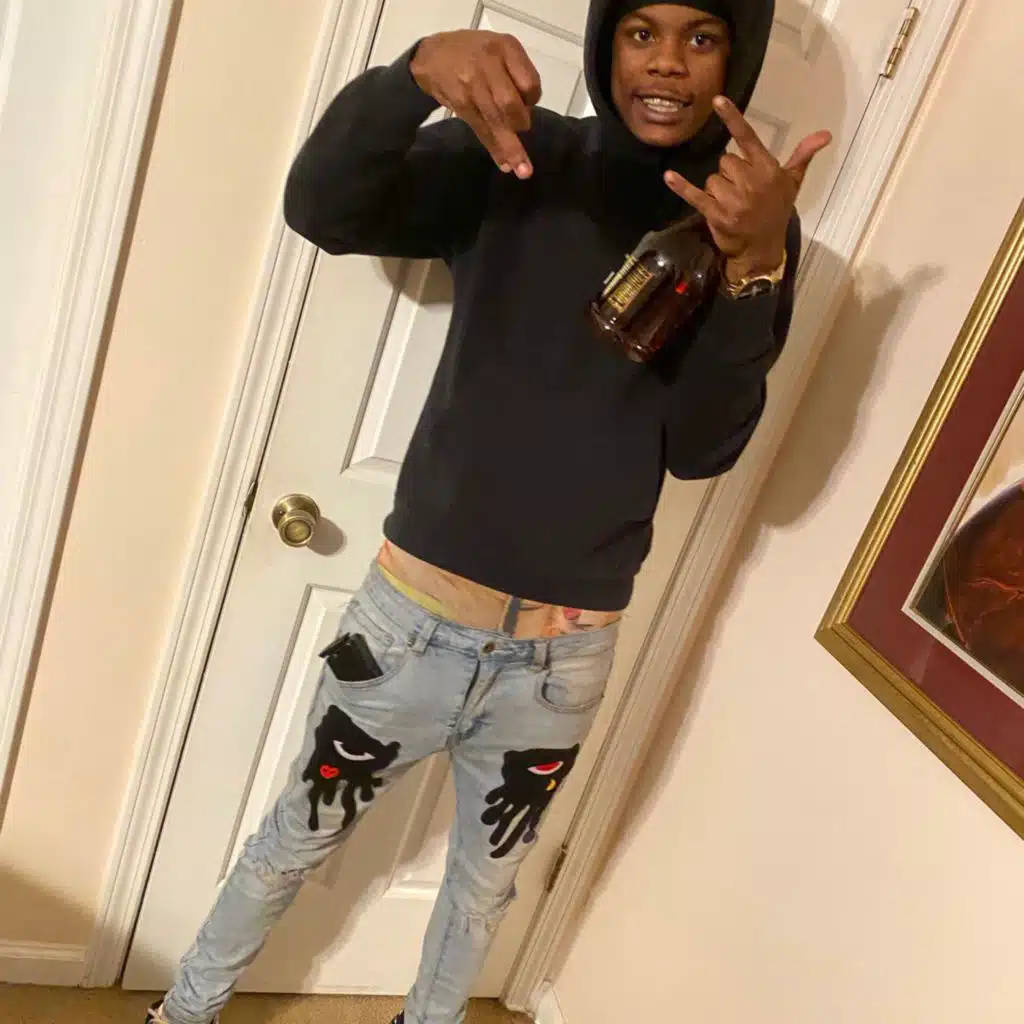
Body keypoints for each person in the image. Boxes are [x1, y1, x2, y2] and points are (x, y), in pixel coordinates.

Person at [147, 1, 830, 1022]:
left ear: (739, 57)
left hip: (561, 658)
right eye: (642, 30)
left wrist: (757, 269)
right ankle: (180, 1012)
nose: (668, 64)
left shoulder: (746, 222)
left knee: (482, 895)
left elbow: (703, 450)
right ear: (605, 38)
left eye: (702, 37)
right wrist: (409, 75)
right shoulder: (518, 155)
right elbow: (325, 211)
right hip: (409, 625)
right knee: (289, 844)